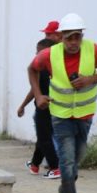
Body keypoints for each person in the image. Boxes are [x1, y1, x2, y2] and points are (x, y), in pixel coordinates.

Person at [28, 12, 97, 193]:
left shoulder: (93, 50)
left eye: (77, 36)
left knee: (76, 161)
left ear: (82, 35)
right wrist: (39, 95)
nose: (74, 42)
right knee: (66, 160)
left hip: (85, 115)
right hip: (60, 114)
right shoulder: (50, 54)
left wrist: (90, 79)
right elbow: (32, 69)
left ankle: (65, 189)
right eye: (69, 37)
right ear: (61, 36)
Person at [17, 39, 60, 178]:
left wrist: (23, 105)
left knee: (44, 137)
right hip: (48, 107)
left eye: (39, 50)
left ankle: (55, 167)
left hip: (45, 107)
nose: (36, 53)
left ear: (48, 52)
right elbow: (34, 90)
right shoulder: (49, 67)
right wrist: (23, 105)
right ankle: (35, 165)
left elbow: (36, 91)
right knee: (43, 137)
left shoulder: (45, 68)